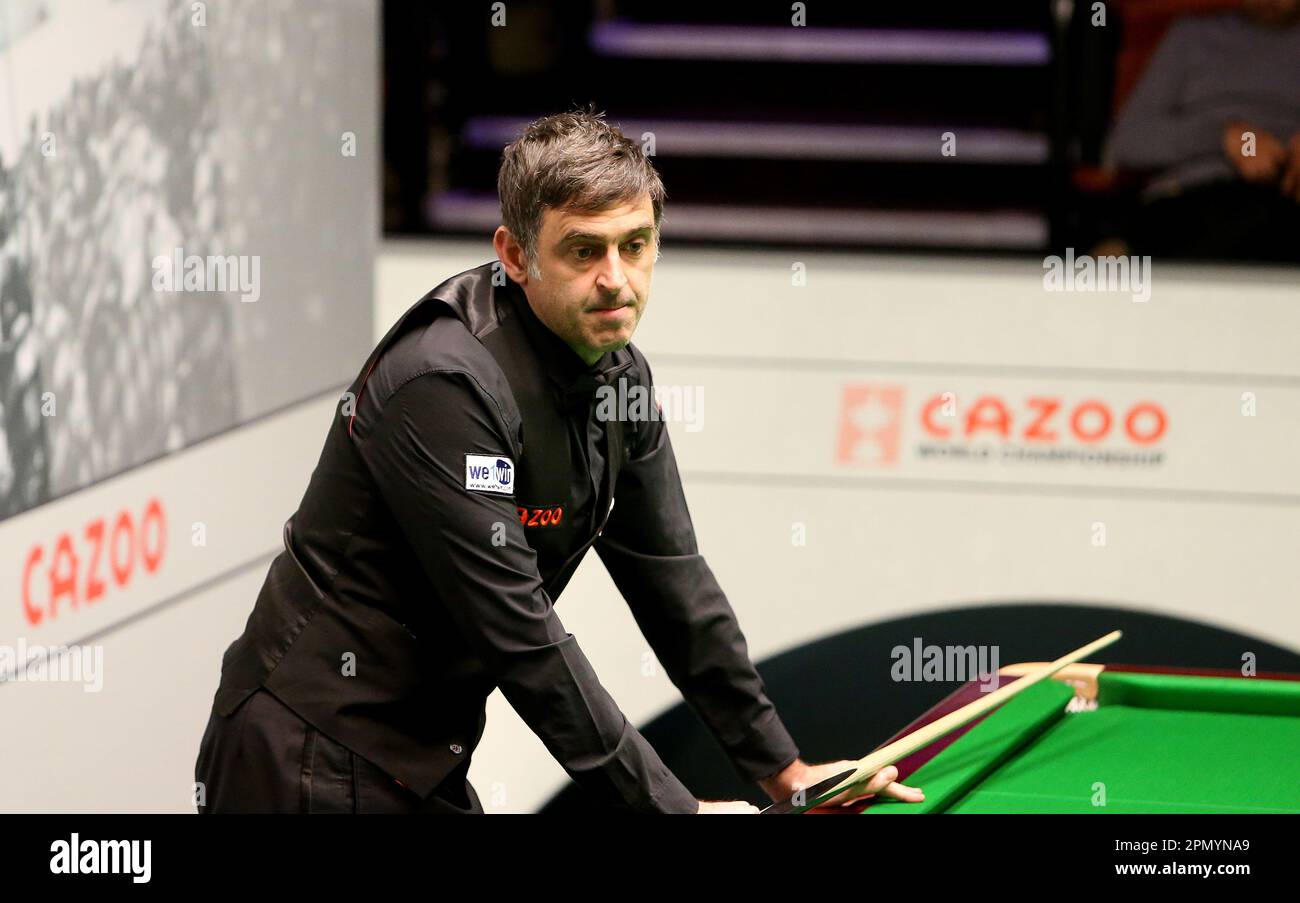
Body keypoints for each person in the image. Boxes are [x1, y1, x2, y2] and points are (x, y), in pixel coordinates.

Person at [194, 108, 924, 814]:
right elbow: (522, 638)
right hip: (305, 754)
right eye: (585, 250)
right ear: (515, 254)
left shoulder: (618, 373)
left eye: (635, 245)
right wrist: (674, 808)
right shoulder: (442, 384)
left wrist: (786, 771)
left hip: (421, 756)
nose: (616, 277)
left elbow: (676, 589)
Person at [1104, 0, 1300, 260]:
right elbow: (1127, 142)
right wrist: (1224, 138)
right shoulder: (1191, 36)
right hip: (1191, 200)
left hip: (1284, 202)